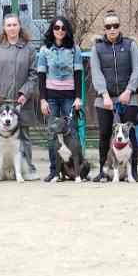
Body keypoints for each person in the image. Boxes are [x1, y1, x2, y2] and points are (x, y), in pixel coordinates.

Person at [0, 14, 39, 180]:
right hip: (0, 100)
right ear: (4, 28)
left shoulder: (29, 48)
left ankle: (26, 170)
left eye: (15, 24)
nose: (12, 28)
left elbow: (34, 74)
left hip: (22, 100)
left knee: (25, 137)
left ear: (20, 26)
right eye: (9, 25)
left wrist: (25, 92)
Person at [89, 10, 138, 182]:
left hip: (128, 97)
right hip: (104, 98)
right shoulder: (97, 48)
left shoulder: (130, 45)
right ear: (104, 29)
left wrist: (129, 90)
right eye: (108, 26)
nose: (112, 29)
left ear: (119, 27)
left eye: (115, 25)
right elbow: (96, 73)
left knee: (131, 133)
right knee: (105, 133)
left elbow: (137, 70)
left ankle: (132, 172)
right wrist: (104, 95)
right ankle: (103, 171)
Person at [37, 16, 83, 182]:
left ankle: (76, 170)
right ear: (52, 29)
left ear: (67, 30)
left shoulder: (74, 49)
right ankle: (54, 171)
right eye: (57, 28)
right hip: (51, 97)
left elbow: (78, 74)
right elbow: (41, 76)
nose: (60, 31)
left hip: (69, 97)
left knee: (72, 134)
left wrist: (78, 97)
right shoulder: (44, 50)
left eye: (63, 28)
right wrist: (43, 100)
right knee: (52, 134)